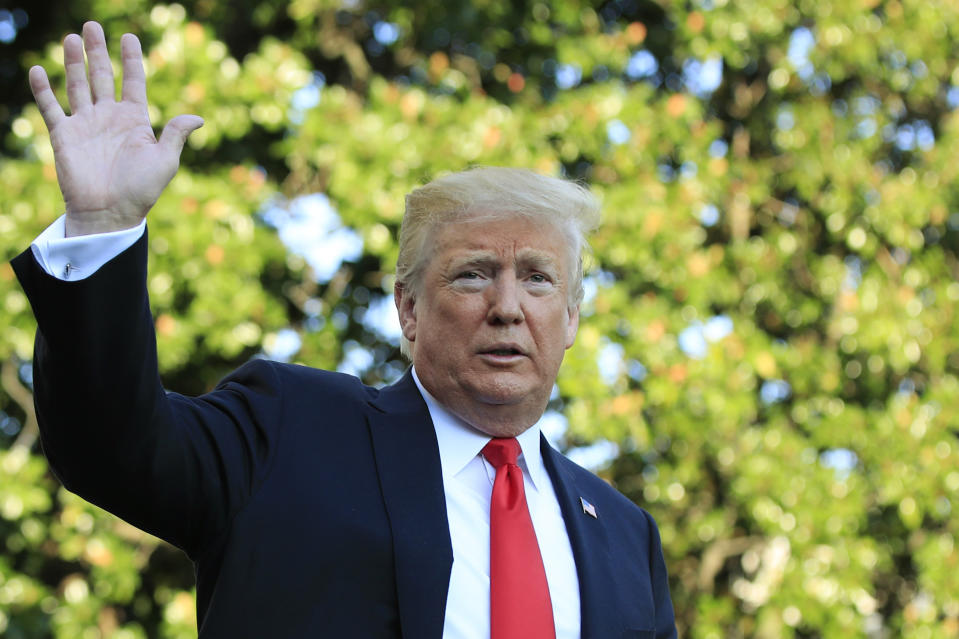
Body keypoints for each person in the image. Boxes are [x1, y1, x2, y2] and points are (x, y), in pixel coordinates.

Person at [13, 21, 676, 639]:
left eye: (537, 278)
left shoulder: (625, 535)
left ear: (571, 317)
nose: (507, 306)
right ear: (407, 309)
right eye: (473, 274)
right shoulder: (289, 429)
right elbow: (113, 446)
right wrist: (102, 229)